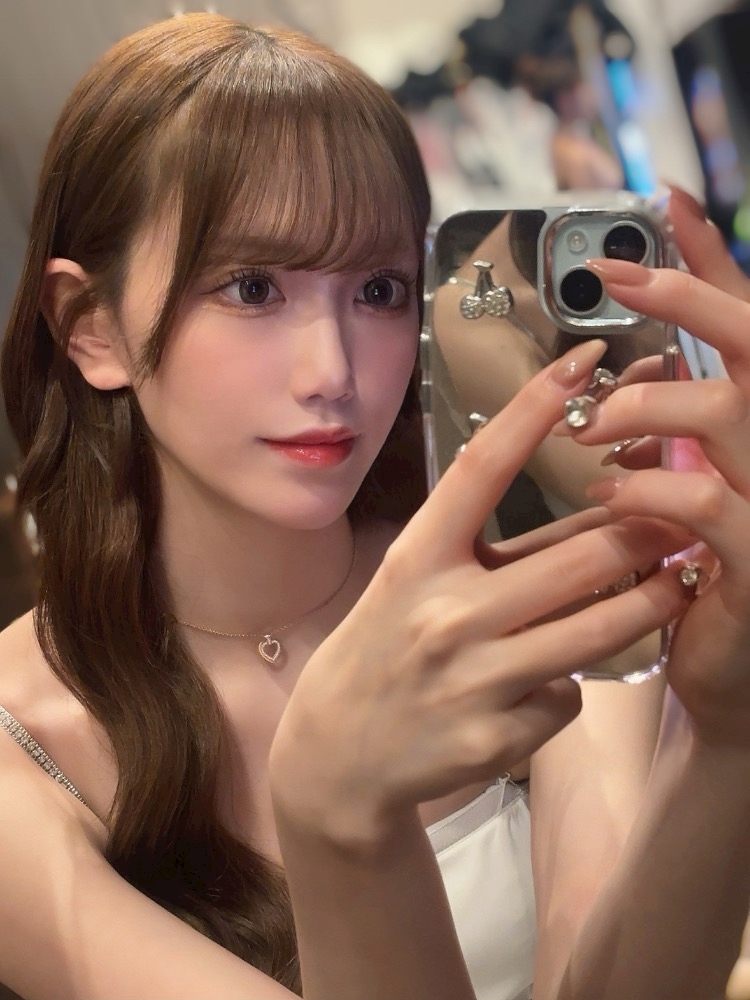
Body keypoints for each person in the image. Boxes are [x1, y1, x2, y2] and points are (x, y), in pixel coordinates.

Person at [0, 12, 749, 1000]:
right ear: (90, 326)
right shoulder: (22, 748)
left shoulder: (522, 580)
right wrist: (338, 823)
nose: (334, 372)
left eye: (382, 289)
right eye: (253, 287)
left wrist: (725, 734)